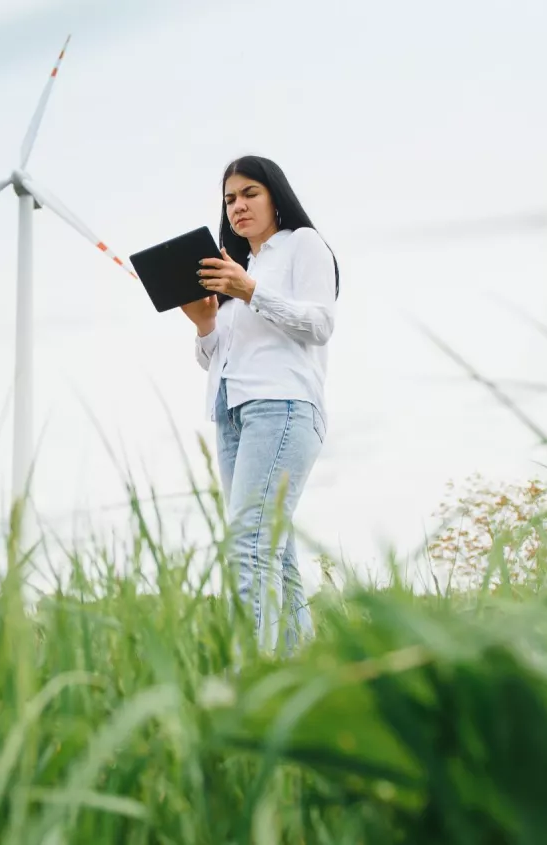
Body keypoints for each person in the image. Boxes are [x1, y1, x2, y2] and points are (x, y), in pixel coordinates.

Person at [183, 155, 339, 656]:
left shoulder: (301, 245)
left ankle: (251, 683)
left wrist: (251, 291)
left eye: (250, 193)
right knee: (275, 555)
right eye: (230, 199)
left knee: (248, 547)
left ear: (275, 195)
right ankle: (300, 673)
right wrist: (205, 321)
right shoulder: (235, 270)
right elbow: (215, 359)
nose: (238, 205)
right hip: (232, 415)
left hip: (283, 407)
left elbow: (319, 324)